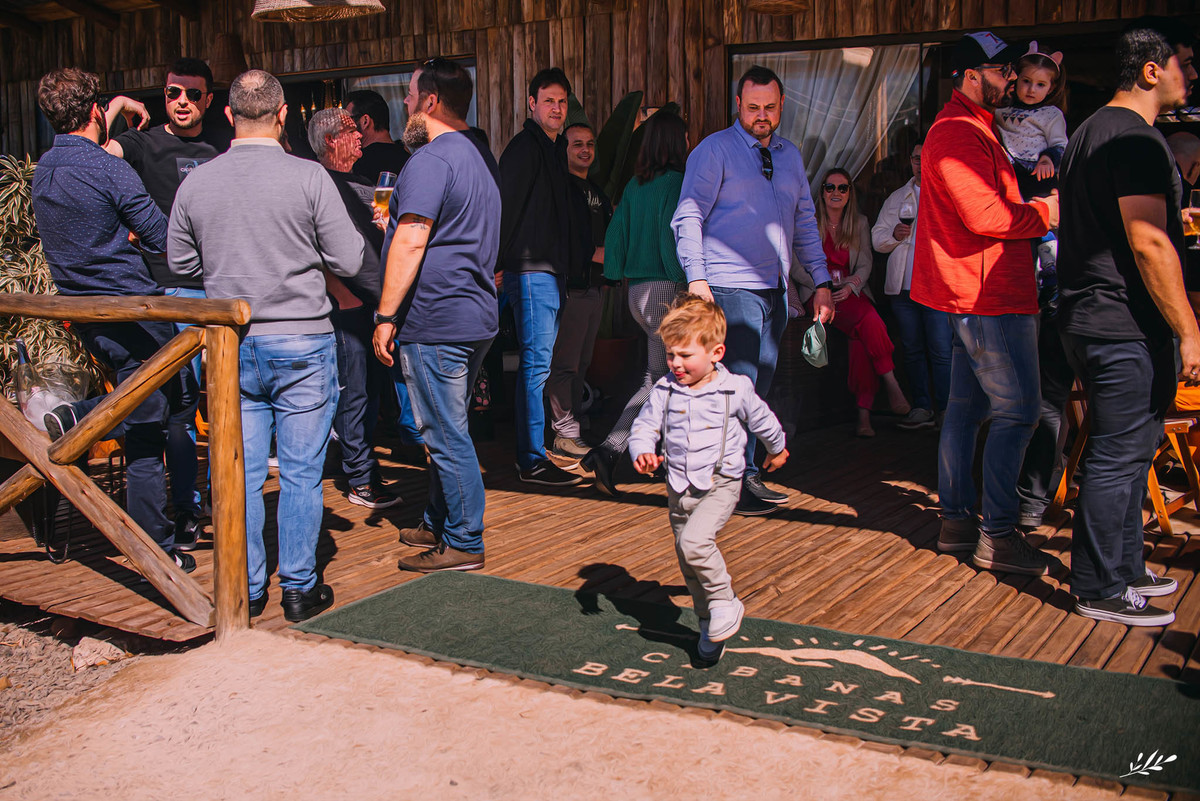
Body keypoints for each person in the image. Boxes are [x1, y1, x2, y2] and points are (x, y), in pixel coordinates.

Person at [168, 69, 364, 622]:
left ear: (228, 115)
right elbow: (349, 260)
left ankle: (249, 587)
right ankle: (299, 588)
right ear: (282, 116)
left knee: (242, 470)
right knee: (302, 471)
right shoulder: (309, 178)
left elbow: (180, 264)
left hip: (231, 344)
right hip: (302, 337)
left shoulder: (197, 183)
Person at [1056, 18, 1198, 626]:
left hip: (1093, 317)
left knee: (1134, 448)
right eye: (1184, 64)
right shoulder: (1135, 139)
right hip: (1119, 321)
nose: (1190, 75)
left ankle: (1126, 569)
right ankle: (1097, 588)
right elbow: (1149, 243)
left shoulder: (1090, 130)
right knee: (1117, 457)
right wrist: (1190, 330)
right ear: (1152, 69)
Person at [32, 67, 197, 575]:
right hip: (134, 308)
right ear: (94, 112)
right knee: (153, 419)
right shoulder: (107, 169)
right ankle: (157, 546)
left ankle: (169, 528)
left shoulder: (44, 169)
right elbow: (160, 236)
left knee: (162, 404)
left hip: (82, 312)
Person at [910, 31, 1060, 576]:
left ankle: (956, 525)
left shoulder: (976, 129)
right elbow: (986, 217)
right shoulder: (955, 132)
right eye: (1002, 72)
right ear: (971, 75)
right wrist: (1047, 214)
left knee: (968, 411)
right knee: (1019, 412)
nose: (1013, 82)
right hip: (986, 297)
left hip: (978, 294)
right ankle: (996, 535)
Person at [671, 64, 833, 516]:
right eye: (753, 106)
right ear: (738, 106)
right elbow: (688, 216)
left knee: (754, 387)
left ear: (782, 107)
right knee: (737, 386)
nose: (761, 114)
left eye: (770, 107)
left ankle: (740, 476)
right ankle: (734, 484)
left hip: (775, 290)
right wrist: (697, 277)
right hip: (726, 284)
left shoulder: (791, 155)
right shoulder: (714, 150)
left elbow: (804, 224)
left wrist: (820, 282)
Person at [371, 57, 500, 572]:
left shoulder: (430, 159)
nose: (404, 103)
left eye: (409, 94)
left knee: (445, 434)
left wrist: (385, 314)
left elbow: (413, 238)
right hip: (473, 313)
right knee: (452, 424)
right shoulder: (477, 157)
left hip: (439, 316)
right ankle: (438, 520)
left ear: (430, 102)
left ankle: (465, 541)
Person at [104, 57, 231, 549]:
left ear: (208, 99)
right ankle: (187, 511)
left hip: (225, 290)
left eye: (193, 94)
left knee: (231, 407)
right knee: (179, 409)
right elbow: (91, 164)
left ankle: (221, 503)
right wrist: (115, 108)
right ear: (164, 94)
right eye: (174, 93)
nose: (182, 102)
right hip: (170, 291)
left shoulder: (224, 145)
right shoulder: (142, 142)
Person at [627, 295, 788, 666]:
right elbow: (644, 426)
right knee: (688, 558)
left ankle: (725, 602)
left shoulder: (736, 388)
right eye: (671, 355)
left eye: (685, 355)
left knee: (697, 542)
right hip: (678, 487)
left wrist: (777, 448)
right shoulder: (665, 389)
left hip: (721, 482)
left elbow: (763, 420)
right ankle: (709, 623)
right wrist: (642, 452)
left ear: (716, 352)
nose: (676, 364)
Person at [582, 110, 689, 496]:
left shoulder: (633, 186)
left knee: (657, 377)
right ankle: (610, 450)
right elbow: (670, 239)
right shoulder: (676, 184)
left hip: (636, 293)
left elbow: (617, 237)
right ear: (678, 143)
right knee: (661, 381)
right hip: (665, 291)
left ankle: (659, 457)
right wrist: (688, 282)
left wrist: (614, 275)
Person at [306, 107, 402, 510]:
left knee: (372, 393)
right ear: (331, 140)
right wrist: (342, 295)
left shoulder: (363, 181)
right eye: (350, 130)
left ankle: (360, 467)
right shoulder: (317, 182)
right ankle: (360, 479)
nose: (360, 135)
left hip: (375, 302)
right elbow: (311, 244)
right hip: (346, 306)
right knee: (354, 393)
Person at [498, 67, 585, 487]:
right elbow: (505, 208)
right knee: (535, 368)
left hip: (551, 274)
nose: (556, 108)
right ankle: (530, 460)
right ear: (531, 104)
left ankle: (537, 451)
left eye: (562, 101)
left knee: (541, 367)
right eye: (548, 100)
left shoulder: (553, 148)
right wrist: (496, 262)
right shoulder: (523, 148)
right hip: (529, 272)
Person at [795, 167, 911, 438]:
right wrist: (821, 286)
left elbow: (866, 263)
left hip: (848, 292)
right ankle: (888, 384)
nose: (836, 193)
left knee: (862, 333)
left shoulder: (858, 222)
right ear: (821, 192)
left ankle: (864, 414)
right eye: (830, 187)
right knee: (867, 322)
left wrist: (851, 286)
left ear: (850, 194)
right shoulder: (807, 221)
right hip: (818, 292)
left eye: (842, 188)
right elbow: (796, 265)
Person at [872, 142, 950, 431]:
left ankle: (945, 411)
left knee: (941, 350)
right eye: (917, 158)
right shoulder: (897, 198)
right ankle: (921, 407)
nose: (921, 163)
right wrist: (893, 234)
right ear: (911, 161)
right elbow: (877, 239)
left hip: (936, 287)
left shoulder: (946, 194)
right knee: (913, 349)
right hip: (903, 289)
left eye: (927, 158)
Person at [547, 122, 612, 462]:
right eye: (576, 144)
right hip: (570, 288)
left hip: (595, 287)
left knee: (582, 362)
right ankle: (563, 433)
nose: (584, 150)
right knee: (565, 363)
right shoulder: (560, 189)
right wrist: (595, 253)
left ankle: (572, 428)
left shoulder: (597, 192)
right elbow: (566, 240)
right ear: (565, 149)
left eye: (589, 144)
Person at [345, 89, 408, 182]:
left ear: (365, 121)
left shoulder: (358, 163)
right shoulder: (407, 159)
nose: (345, 127)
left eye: (349, 119)